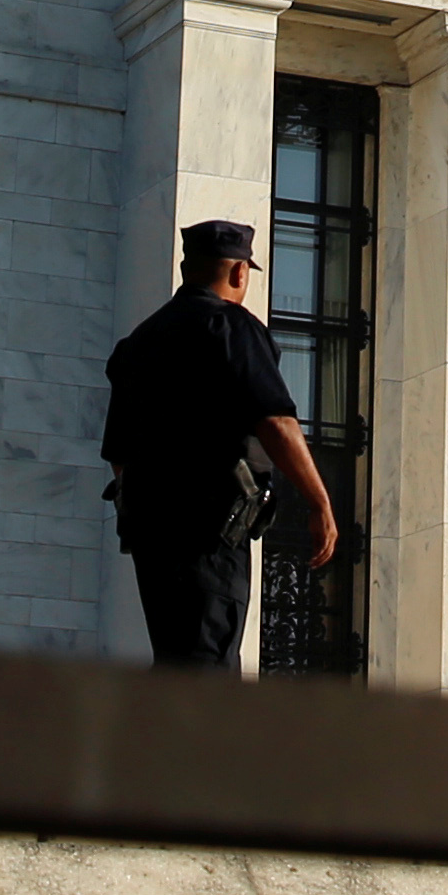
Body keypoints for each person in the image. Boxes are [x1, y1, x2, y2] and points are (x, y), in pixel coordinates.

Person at [102, 218, 339, 670]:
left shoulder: (137, 343)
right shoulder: (229, 326)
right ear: (239, 273)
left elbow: (119, 457)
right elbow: (275, 422)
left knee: (174, 662)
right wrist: (319, 503)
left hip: (152, 541)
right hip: (209, 535)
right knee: (209, 665)